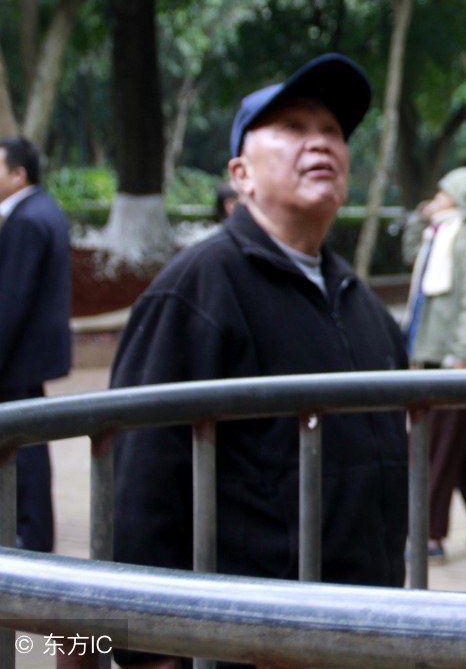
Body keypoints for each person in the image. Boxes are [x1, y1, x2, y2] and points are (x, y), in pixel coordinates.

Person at [111, 54, 409, 667]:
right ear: (241, 175)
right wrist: (149, 651)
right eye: (293, 127)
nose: (319, 142)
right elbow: (144, 483)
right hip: (248, 643)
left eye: (331, 130)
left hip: (367, 636)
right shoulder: (195, 293)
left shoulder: (364, 307)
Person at [402, 166, 466, 557]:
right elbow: (409, 256)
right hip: (433, 352)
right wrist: (415, 221)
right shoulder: (436, 234)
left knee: (433, 445)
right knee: (465, 444)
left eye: (442, 194)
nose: (435, 200)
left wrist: (465, 352)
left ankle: (428, 534)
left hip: (455, 358)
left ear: (460, 196)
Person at [0, 136, 71, 553]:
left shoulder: (26, 220)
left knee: (23, 452)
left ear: (18, 174)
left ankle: (30, 537)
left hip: (17, 361)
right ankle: (30, 534)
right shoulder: (44, 209)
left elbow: (10, 301)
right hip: (30, 358)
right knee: (28, 448)